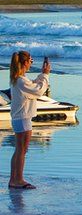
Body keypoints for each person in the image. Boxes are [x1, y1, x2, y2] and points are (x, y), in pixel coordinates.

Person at [7, 51, 50, 190]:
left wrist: (42, 75)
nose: (31, 63)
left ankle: (14, 179)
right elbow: (38, 90)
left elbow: (33, 86)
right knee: (22, 150)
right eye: (31, 60)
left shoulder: (18, 79)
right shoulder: (21, 80)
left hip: (20, 118)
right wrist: (45, 75)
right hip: (23, 119)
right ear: (25, 63)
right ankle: (17, 180)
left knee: (19, 150)